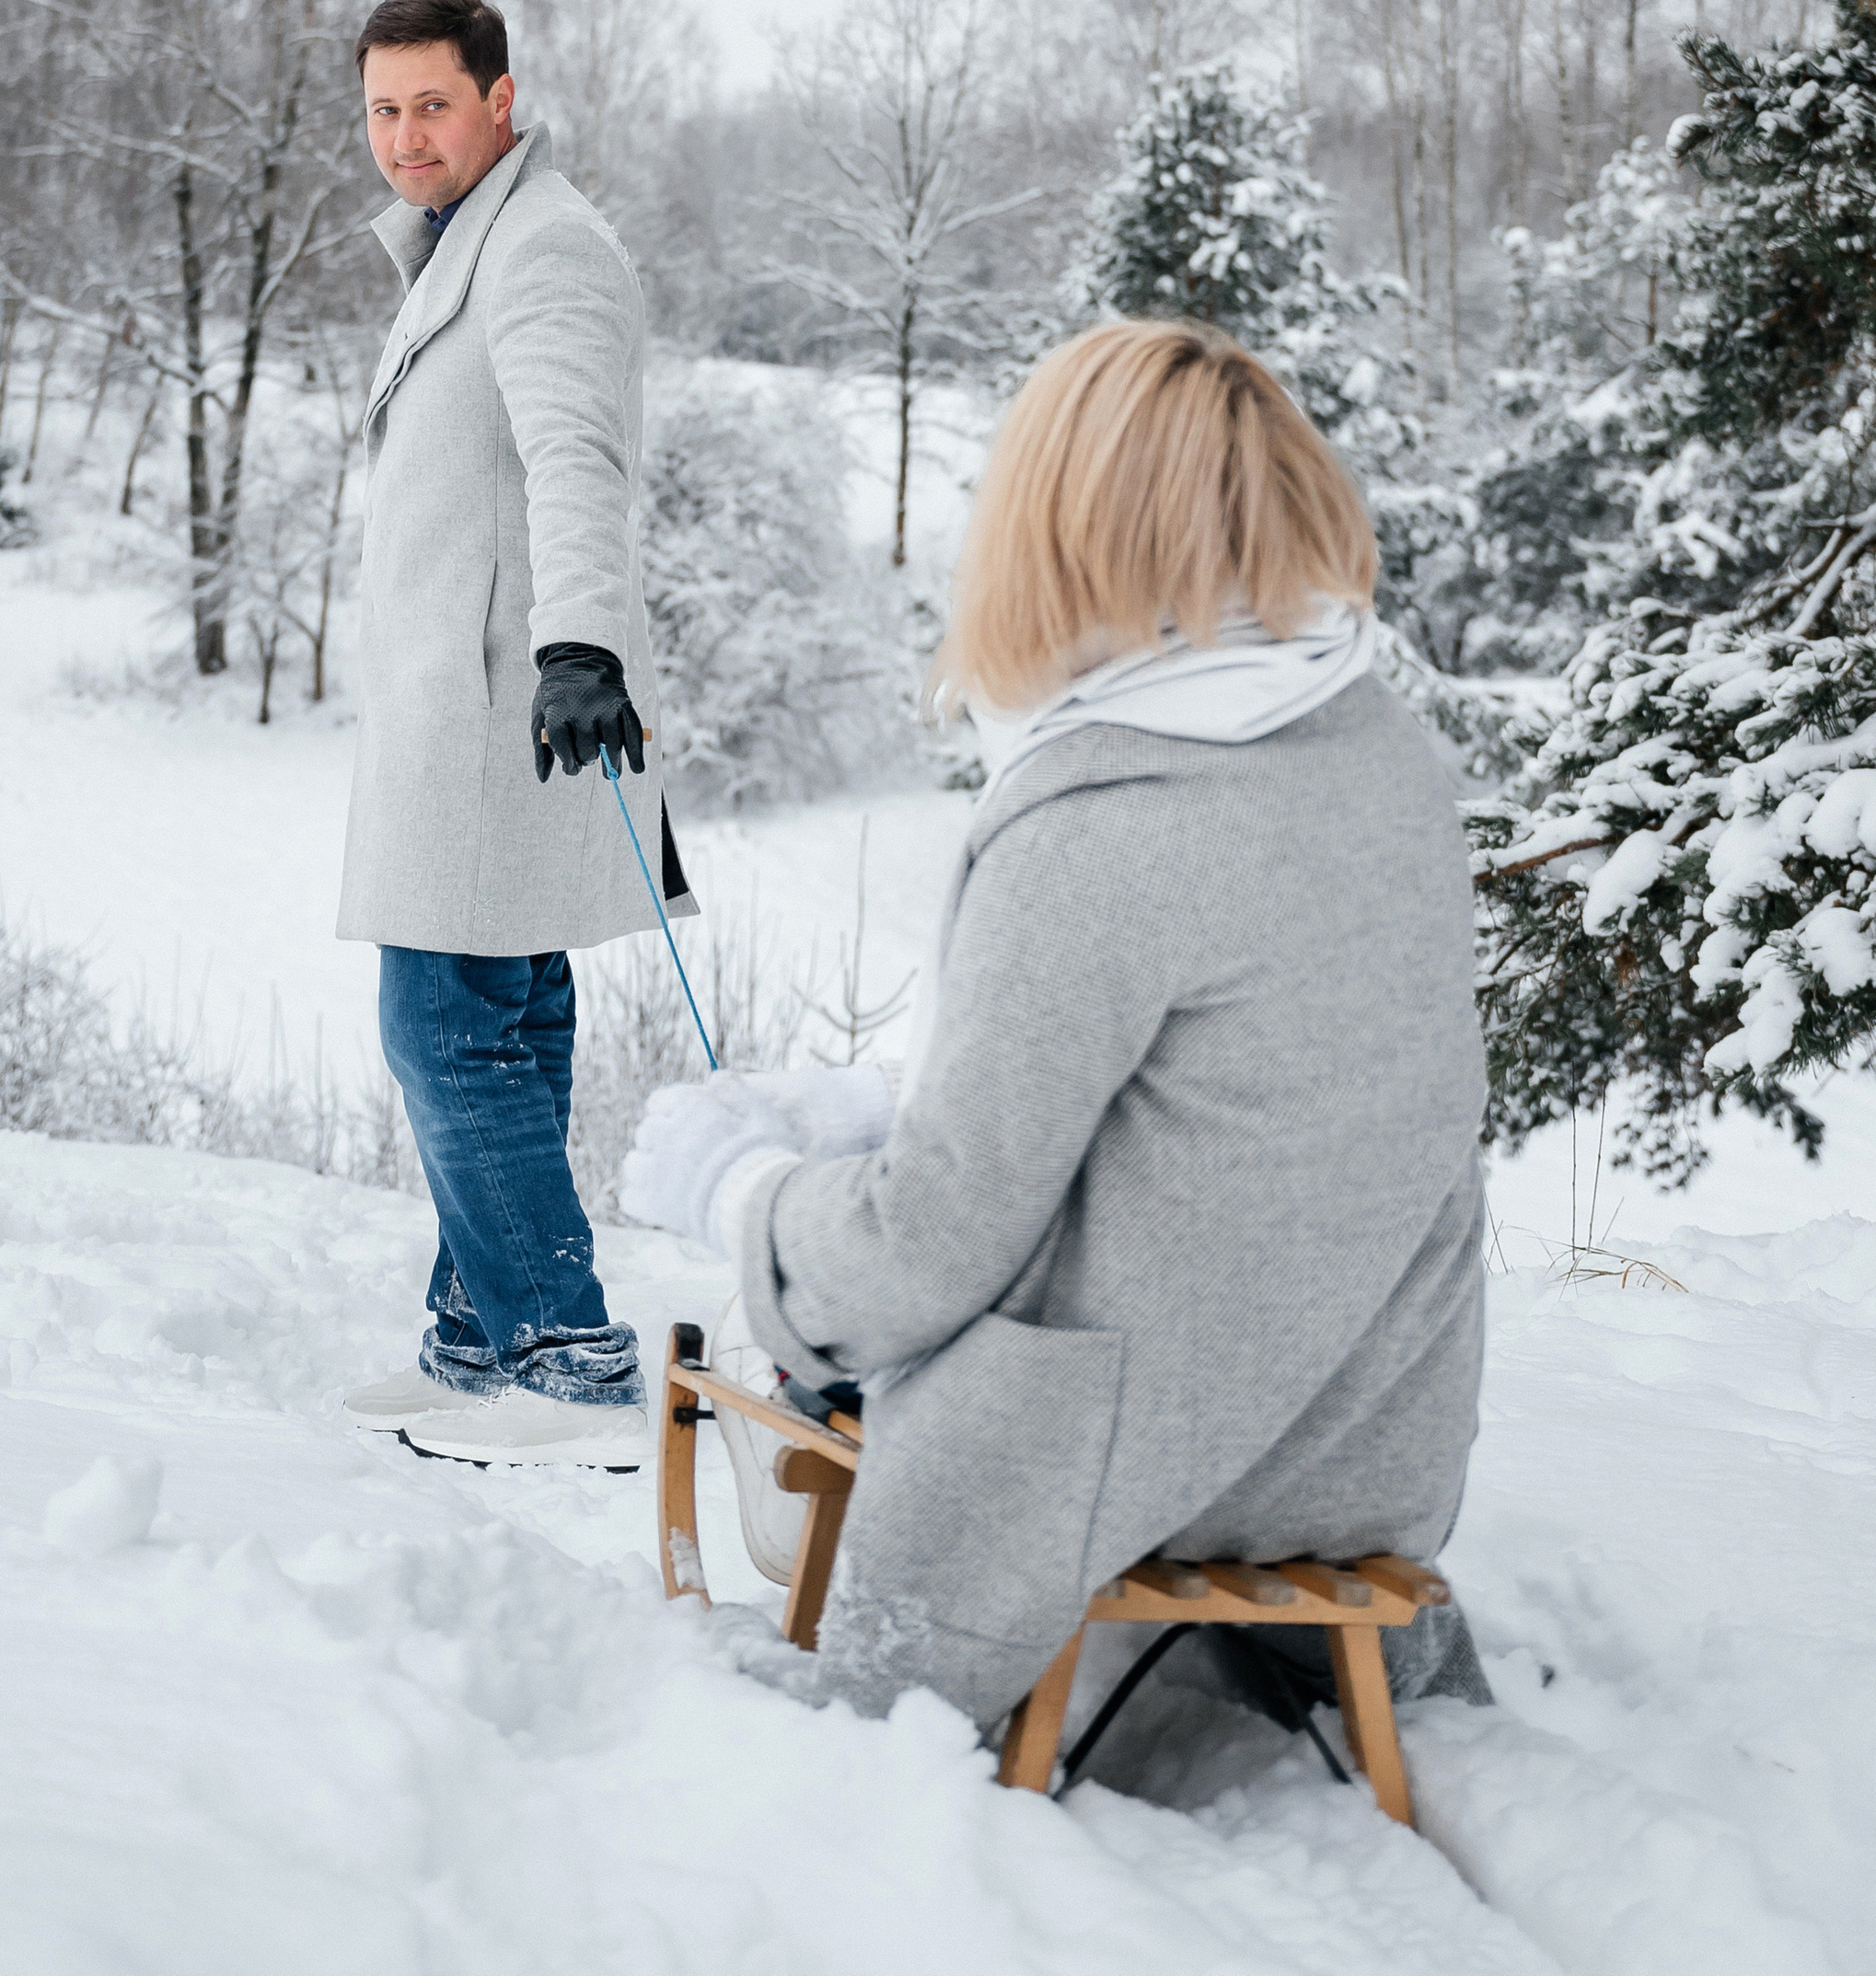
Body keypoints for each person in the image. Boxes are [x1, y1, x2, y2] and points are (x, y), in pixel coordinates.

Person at [622, 318, 1489, 1738]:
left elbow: (928, 1248)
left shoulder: (1105, 818)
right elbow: (1219, 1110)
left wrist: (740, 1190)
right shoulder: (1379, 748)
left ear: (1059, 524)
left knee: (777, 1308)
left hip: (1165, 1462)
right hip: (1374, 1444)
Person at [336, 0, 691, 1471]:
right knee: (508, 1014)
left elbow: (576, 459)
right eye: (382, 109)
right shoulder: (468, 243)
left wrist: (581, 644)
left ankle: (559, 1349)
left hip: (511, 700)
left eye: (432, 104)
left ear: (500, 97)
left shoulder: (542, 250)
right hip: (470, 701)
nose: (406, 137)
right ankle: (480, 1336)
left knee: (441, 1017)